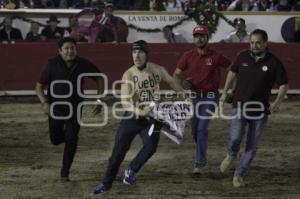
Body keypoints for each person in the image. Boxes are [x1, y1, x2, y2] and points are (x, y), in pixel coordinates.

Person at [91, 40, 184, 195]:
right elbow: (125, 102)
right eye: (134, 52)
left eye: (140, 52)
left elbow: (171, 81)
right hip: (132, 117)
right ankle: (106, 184)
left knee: (150, 147)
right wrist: (141, 112)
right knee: (118, 153)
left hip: (152, 117)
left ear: (147, 54)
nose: (136, 55)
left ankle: (131, 170)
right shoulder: (129, 74)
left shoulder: (158, 70)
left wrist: (183, 94)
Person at [219, 29, 288, 188]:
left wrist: (277, 103)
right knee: (235, 137)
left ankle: (239, 175)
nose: (254, 45)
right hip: (239, 105)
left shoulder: (273, 62)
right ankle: (231, 154)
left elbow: (284, 84)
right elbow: (232, 72)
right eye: (251, 42)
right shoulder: (242, 56)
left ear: (265, 43)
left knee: (252, 145)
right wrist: (224, 92)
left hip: (260, 111)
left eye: (258, 42)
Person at [35, 37, 104, 182]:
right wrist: (44, 103)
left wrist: (99, 99)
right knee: (55, 139)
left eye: (72, 48)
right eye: (66, 48)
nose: (70, 51)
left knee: (72, 140)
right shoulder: (52, 64)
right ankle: (69, 136)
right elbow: (39, 86)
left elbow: (99, 78)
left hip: (75, 107)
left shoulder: (83, 63)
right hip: (56, 108)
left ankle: (64, 173)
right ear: (59, 51)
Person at [173, 25, 231, 174]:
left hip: (210, 97)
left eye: (202, 36)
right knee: (195, 131)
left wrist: (228, 90)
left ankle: (199, 164)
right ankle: (201, 154)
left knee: (201, 128)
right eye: (196, 36)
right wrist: (182, 89)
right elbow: (176, 75)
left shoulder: (216, 56)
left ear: (207, 37)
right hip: (193, 97)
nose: (199, 39)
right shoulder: (187, 56)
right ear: (193, 38)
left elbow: (233, 69)